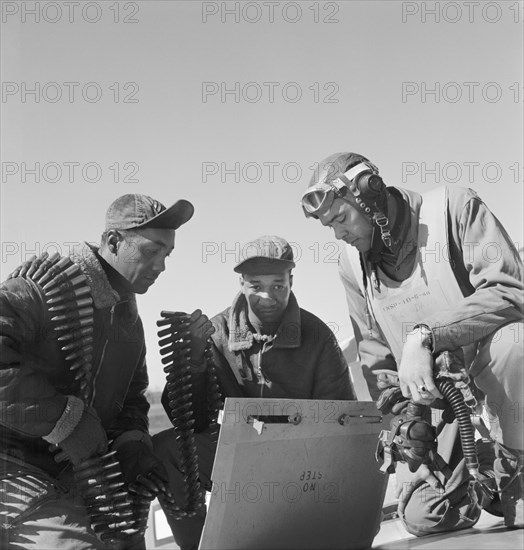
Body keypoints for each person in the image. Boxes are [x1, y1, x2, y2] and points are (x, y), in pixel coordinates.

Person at [301, 152, 524, 534]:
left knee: (515, 341)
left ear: (369, 196)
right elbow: (377, 361)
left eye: (340, 218)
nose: (338, 234)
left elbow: (509, 291)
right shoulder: (351, 266)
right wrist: (405, 422)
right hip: (445, 406)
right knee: (425, 516)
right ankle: (483, 472)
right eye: (329, 226)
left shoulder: (453, 208)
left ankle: (515, 463)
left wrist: (426, 336)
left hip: (500, 387)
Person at [0, 194, 195, 549]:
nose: (161, 266)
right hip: (17, 468)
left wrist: (131, 442)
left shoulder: (128, 320)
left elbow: (133, 397)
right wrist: (64, 421)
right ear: (113, 242)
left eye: (167, 255)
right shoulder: (41, 290)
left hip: (82, 470)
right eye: (151, 251)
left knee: (129, 542)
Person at [153, 235, 355, 550]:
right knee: (167, 449)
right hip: (239, 454)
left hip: (302, 459)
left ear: (292, 280)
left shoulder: (318, 337)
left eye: (278, 285)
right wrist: (191, 363)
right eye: (256, 285)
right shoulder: (216, 333)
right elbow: (190, 420)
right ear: (242, 283)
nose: (267, 296)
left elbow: (343, 421)